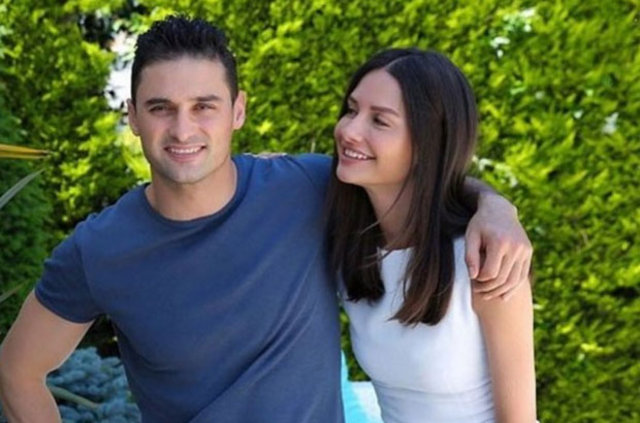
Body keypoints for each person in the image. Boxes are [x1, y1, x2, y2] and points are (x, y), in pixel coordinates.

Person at [0, 17, 531, 423]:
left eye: (204, 106)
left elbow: (417, 177)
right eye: (160, 108)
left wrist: (495, 208)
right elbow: (16, 370)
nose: (183, 130)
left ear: (238, 111)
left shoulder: (307, 188)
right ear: (133, 116)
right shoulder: (98, 249)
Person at [328, 48, 536, 422]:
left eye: (380, 121)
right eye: (352, 110)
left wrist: (497, 207)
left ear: (427, 144)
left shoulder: (484, 258)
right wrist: (495, 202)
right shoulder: (350, 241)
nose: (349, 131)